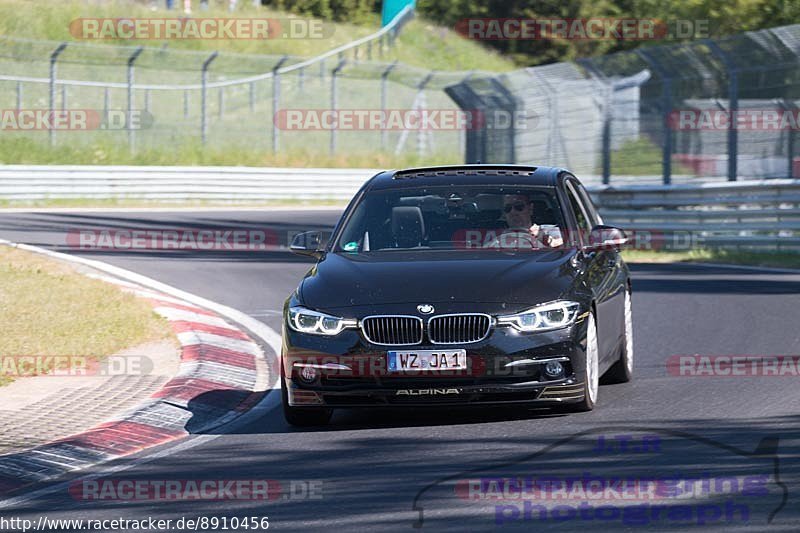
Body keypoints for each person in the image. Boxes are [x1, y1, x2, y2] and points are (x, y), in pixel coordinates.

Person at [484, 194, 564, 249]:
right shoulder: (493, 235)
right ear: (504, 214)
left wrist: (545, 240)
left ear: (530, 209)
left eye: (519, 206)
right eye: (508, 208)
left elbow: (565, 246)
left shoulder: (551, 231)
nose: (513, 212)